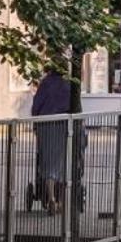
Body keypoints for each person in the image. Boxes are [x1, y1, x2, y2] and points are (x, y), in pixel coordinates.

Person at [30, 61, 74, 213]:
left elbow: (36, 104)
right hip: (64, 125)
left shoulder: (45, 83)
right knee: (62, 162)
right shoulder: (69, 84)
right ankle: (61, 201)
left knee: (47, 163)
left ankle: (51, 198)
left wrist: (35, 122)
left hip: (46, 124)